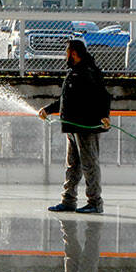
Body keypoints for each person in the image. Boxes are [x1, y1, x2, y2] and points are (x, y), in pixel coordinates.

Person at [39, 38, 111, 214]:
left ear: (74, 53)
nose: (65, 56)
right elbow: (65, 101)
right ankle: (68, 200)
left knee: (89, 164)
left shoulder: (89, 72)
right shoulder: (75, 72)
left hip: (85, 127)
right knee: (72, 165)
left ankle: (95, 202)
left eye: (67, 52)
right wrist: (48, 110)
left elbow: (103, 96)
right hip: (72, 127)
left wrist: (104, 116)